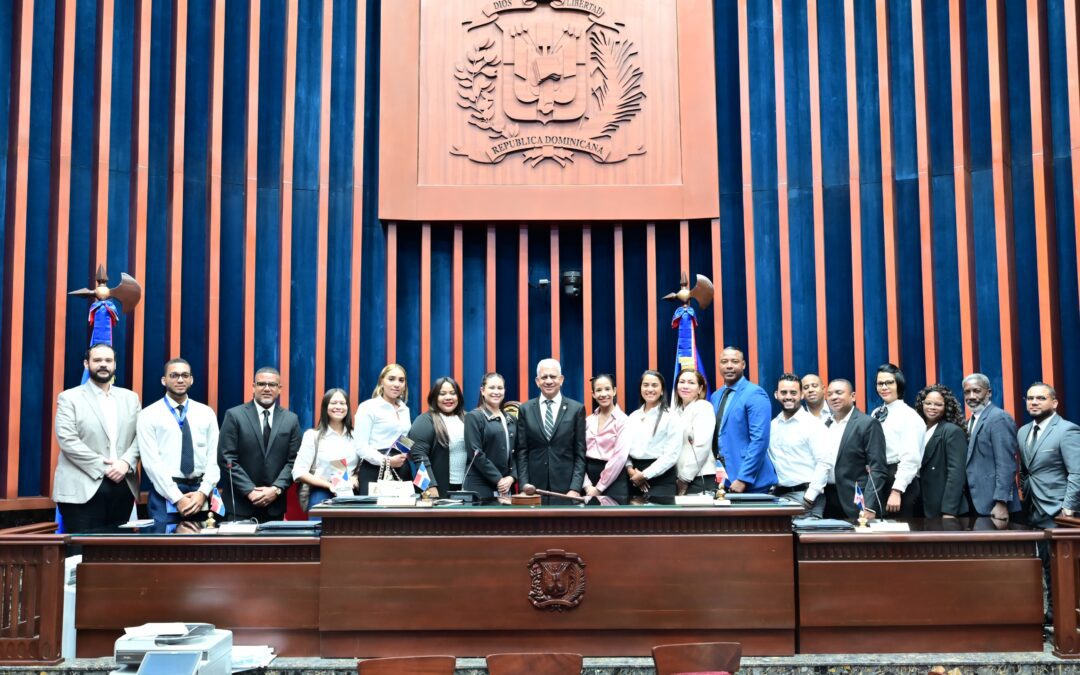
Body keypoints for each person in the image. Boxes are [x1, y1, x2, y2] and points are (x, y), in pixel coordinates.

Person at [52, 343, 141, 532]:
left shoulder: (131, 398)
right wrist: (105, 467)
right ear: (86, 364)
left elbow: (141, 437)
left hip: (122, 485)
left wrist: (125, 462)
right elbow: (68, 440)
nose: (103, 364)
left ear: (114, 365)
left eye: (108, 360)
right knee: (81, 555)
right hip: (82, 488)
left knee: (116, 555)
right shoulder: (69, 398)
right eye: (97, 360)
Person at [137, 358, 220, 526]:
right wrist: (177, 497)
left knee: (203, 550)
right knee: (166, 551)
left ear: (191, 379)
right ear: (164, 380)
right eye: (174, 375)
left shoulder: (206, 413)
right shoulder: (149, 414)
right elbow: (152, 463)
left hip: (200, 492)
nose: (180, 380)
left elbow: (215, 458)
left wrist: (203, 492)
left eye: (185, 375)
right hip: (165, 494)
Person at [216, 367, 301, 521]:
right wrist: (250, 490)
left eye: (272, 385)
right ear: (253, 387)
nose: (267, 388)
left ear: (279, 389)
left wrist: (275, 490)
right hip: (240, 506)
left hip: (274, 506)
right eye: (261, 384)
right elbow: (226, 458)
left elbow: (294, 461)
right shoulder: (234, 415)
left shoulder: (291, 420)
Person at [515, 358, 587, 498]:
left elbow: (580, 452)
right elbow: (522, 451)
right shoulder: (525, 409)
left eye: (553, 376)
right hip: (533, 489)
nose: (548, 381)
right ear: (537, 381)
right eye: (544, 377)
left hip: (566, 489)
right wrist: (524, 485)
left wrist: (575, 487)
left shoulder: (576, 409)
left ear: (561, 379)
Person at [710, 347, 775, 493]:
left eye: (734, 361)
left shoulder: (755, 393)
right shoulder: (716, 396)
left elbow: (760, 440)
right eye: (724, 361)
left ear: (743, 365)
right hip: (724, 480)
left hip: (750, 481)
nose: (729, 366)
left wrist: (744, 478)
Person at [822, 379, 889, 520]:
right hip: (827, 500)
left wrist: (870, 505)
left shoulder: (868, 424)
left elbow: (878, 468)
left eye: (839, 393)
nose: (834, 397)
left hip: (857, 501)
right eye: (830, 394)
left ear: (853, 396)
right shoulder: (825, 424)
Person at [1017, 383, 1080, 529]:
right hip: (1029, 509)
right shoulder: (1022, 431)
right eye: (1030, 398)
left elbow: (1077, 473)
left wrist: (1069, 507)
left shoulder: (1067, 430)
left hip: (1058, 511)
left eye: (1041, 398)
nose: (1034, 402)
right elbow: (1024, 470)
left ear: (1054, 403)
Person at [768, 373, 830, 516]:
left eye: (793, 392)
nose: (788, 396)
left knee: (806, 539)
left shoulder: (813, 425)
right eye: (784, 392)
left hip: (806, 497)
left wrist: (810, 497)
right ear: (776, 395)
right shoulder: (773, 426)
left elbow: (824, 462)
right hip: (778, 497)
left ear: (802, 395)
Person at [962, 373, 1021, 521]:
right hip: (976, 502)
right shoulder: (970, 421)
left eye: (976, 391)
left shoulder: (999, 418)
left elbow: (1006, 464)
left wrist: (1001, 502)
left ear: (988, 392)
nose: (971, 396)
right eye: (967, 392)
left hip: (996, 506)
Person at [293, 388, 359, 512]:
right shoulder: (312, 436)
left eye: (342, 403)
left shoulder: (357, 436)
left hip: (351, 491)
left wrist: (356, 478)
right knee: (320, 526)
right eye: (333, 403)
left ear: (348, 407)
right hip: (322, 489)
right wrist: (330, 485)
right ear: (325, 407)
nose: (338, 406)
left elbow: (362, 466)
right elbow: (299, 472)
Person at [871, 364, 923, 517]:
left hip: (900, 480)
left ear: (899, 384)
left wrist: (897, 490)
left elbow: (911, 458)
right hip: (879, 476)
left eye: (889, 383)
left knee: (897, 534)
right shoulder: (876, 412)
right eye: (880, 384)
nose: (884, 387)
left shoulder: (909, 416)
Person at [355, 364, 412, 495]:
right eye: (391, 379)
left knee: (403, 513)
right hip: (374, 468)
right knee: (375, 515)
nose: (397, 384)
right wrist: (387, 461)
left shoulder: (405, 409)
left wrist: (405, 453)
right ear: (382, 381)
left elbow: (404, 437)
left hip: (401, 466)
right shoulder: (368, 407)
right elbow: (360, 446)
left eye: (401, 380)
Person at [624, 370, 682, 498]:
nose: (649, 389)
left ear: (662, 390)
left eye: (654, 385)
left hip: (661, 477)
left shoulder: (671, 417)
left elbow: (672, 455)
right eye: (645, 385)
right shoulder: (632, 417)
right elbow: (624, 449)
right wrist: (630, 471)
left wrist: (644, 475)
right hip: (633, 476)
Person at [914, 384, 968, 518]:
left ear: (946, 407)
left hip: (943, 508)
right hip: (922, 504)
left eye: (938, 405)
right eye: (928, 403)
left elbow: (956, 475)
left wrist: (949, 511)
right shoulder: (918, 430)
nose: (932, 407)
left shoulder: (952, 431)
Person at [463, 373, 517, 502]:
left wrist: (512, 477)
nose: (496, 392)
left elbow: (519, 452)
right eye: (492, 388)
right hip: (480, 488)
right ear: (482, 391)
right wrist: (499, 479)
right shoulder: (474, 417)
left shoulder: (512, 419)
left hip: (507, 487)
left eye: (500, 388)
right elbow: (476, 453)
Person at [408, 377, 466, 497]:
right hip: (436, 490)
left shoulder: (469, 419)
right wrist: (429, 486)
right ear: (434, 397)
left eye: (453, 393)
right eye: (442, 394)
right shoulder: (424, 421)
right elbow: (419, 458)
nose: (448, 397)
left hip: (466, 488)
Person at [582, 374, 629, 500]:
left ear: (614, 391)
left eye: (607, 389)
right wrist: (587, 485)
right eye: (598, 390)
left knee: (614, 519)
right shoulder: (588, 420)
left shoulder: (623, 420)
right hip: (588, 480)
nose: (603, 394)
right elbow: (580, 454)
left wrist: (599, 488)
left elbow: (620, 457)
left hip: (615, 480)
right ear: (593, 394)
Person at [673, 368, 716, 494]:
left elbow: (701, 446)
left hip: (697, 477)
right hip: (678, 477)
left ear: (700, 389)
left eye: (691, 383)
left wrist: (684, 478)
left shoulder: (703, 407)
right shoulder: (676, 411)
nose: (685, 386)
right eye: (682, 382)